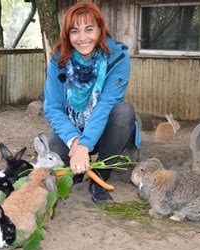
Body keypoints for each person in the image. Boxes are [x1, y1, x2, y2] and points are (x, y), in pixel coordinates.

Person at [43, 2, 141, 204]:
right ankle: (77, 172)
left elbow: (106, 104)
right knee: (54, 147)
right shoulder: (57, 60)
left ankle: (99, 180)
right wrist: (74, 140)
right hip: (74, 126)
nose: (82, 38)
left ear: (100, 30)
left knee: (124, 112)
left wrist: (85, 145)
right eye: (75, 31)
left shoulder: (118, 57)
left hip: (105, 128)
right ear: (67, 35)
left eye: (89, 29)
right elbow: (52, 107)